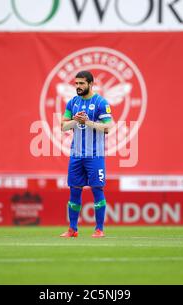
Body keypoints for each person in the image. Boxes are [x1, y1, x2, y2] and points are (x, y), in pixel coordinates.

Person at [60, 71, 114, 238]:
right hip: (76, 155)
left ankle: (99, 229)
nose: (78, 87)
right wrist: (75, 121)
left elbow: (108, 126)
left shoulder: (100, 102)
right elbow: (63, 127)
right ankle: (72, 229)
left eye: (82, 84)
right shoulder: (72, 102)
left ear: (91, 84)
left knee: (97, 189)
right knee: (74, 190)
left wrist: (87, 122)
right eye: (76, 84)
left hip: (95, 155)